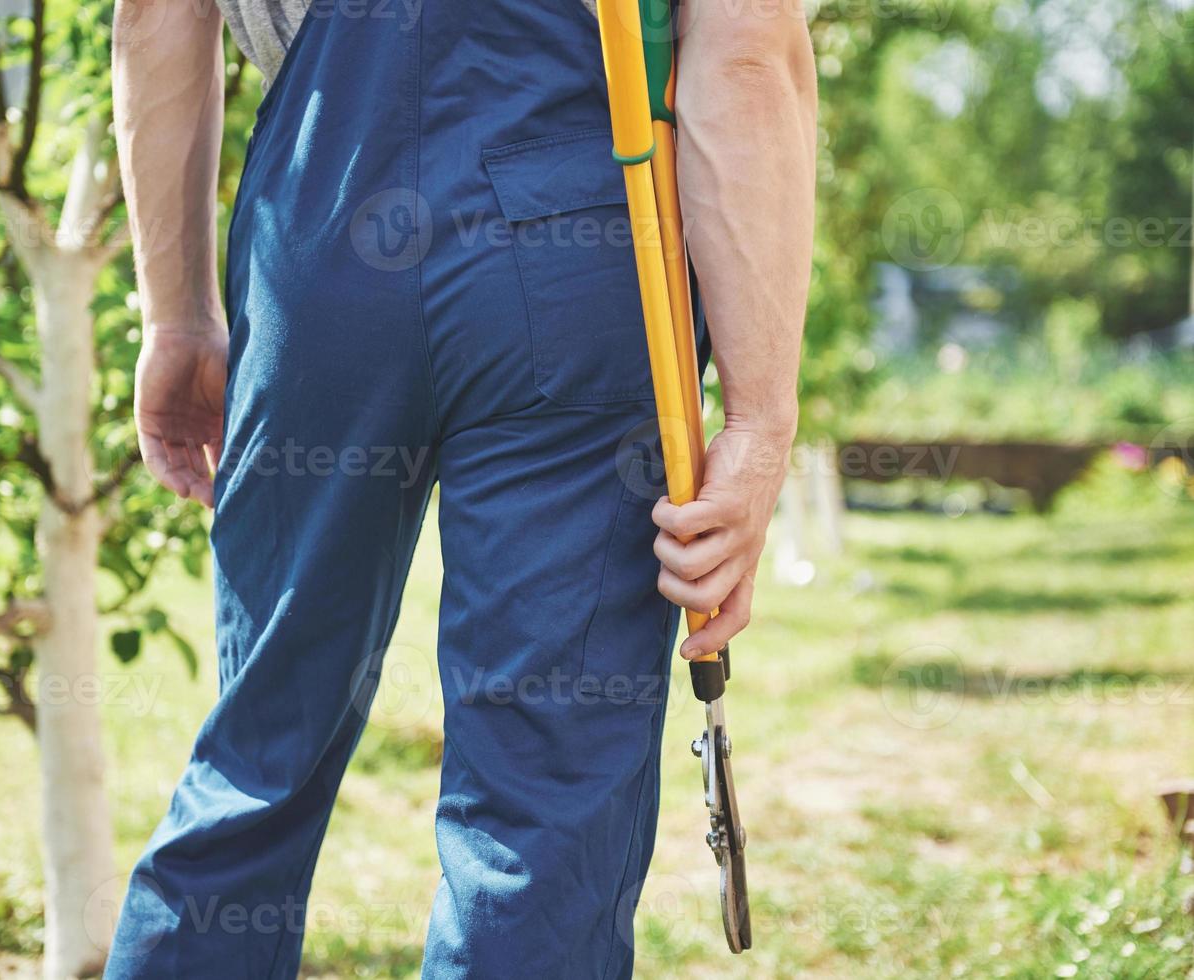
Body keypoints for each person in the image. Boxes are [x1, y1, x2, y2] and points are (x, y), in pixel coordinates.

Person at [106, 0, 815, 974]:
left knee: (258, 756)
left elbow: (156, 12)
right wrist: (761, 418)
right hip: (574, 237)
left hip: (323, 231)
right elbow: (743, 43)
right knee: (543, 804)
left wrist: (177, 318)